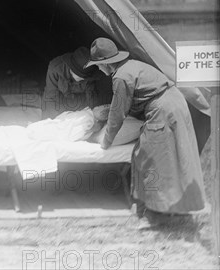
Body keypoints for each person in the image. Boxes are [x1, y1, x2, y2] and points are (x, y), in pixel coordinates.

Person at [85, 37, 205, 229]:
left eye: (98, 65)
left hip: (163, 110)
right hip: (175, 104)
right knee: (174, 158)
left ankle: (156, 214)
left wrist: (106, 141)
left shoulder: (121, 77)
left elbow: (117, 116)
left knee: (149, 158)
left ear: (106, 64)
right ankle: (170, 208)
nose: (99, 70)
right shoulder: (131, 65)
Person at [41, 46, 111, 119]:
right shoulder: (55, 68)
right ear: (71, 69)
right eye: (80, 75)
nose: (82, 79)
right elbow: (51, 96)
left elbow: (91, 97)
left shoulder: (92, 74)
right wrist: (52, 120)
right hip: (59, 99)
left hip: (79, 101)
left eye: (84, 77)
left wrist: (92, 115)